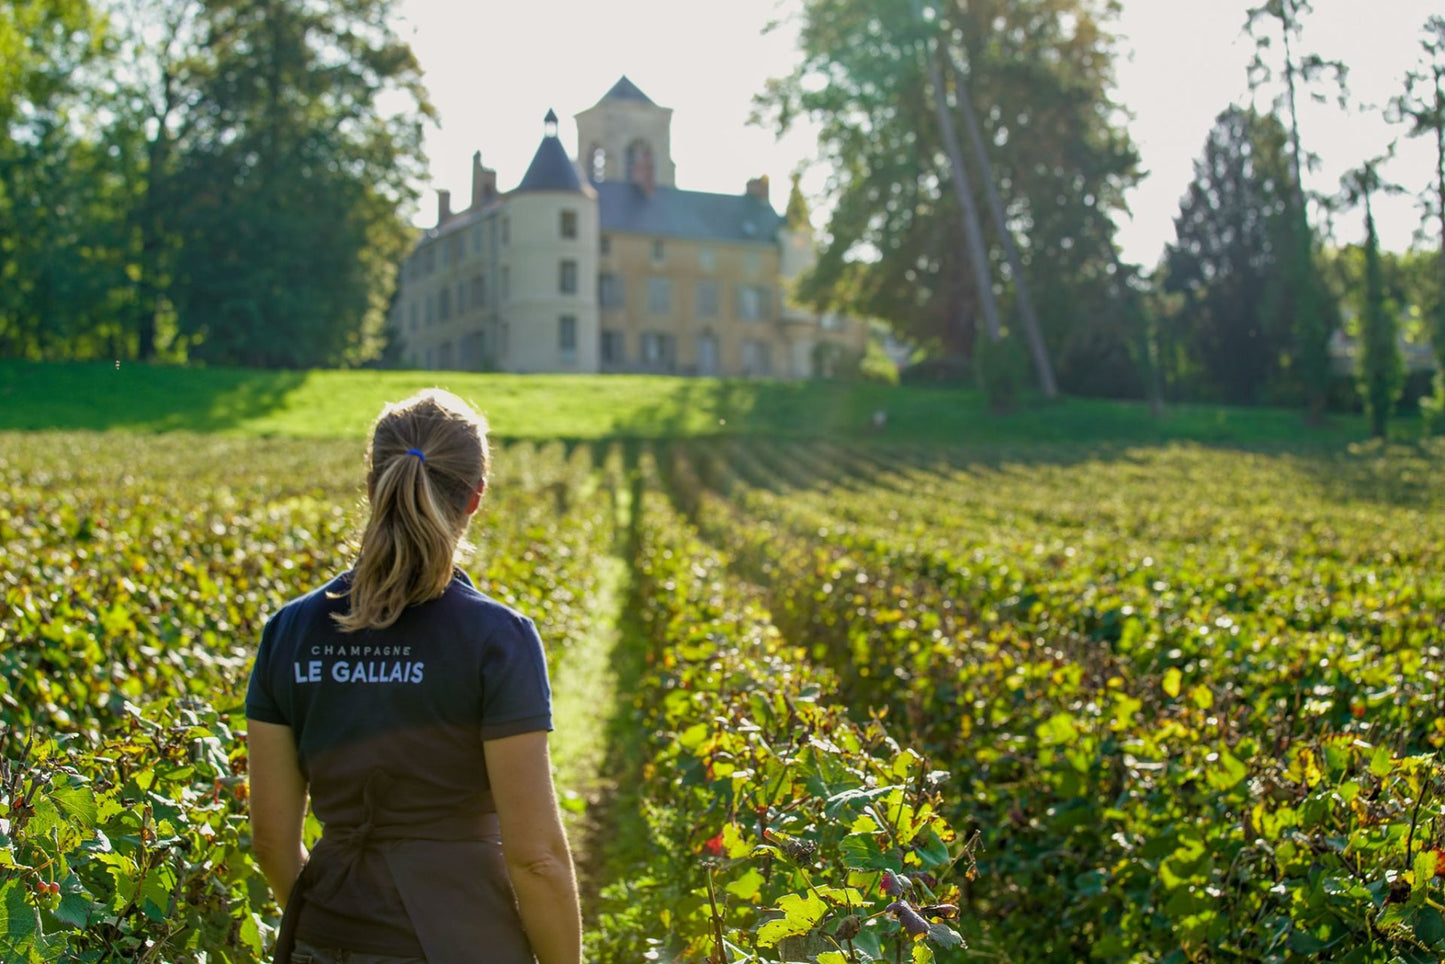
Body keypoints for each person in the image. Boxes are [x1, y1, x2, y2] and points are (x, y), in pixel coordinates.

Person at [245, 389, 582, 964]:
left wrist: (329, 925)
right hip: (460, 937)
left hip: (321, 934)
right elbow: (537, 860)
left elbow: (273, 842)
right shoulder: (497, 638)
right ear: (476, 497)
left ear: (372, 484)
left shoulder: (288, 630)